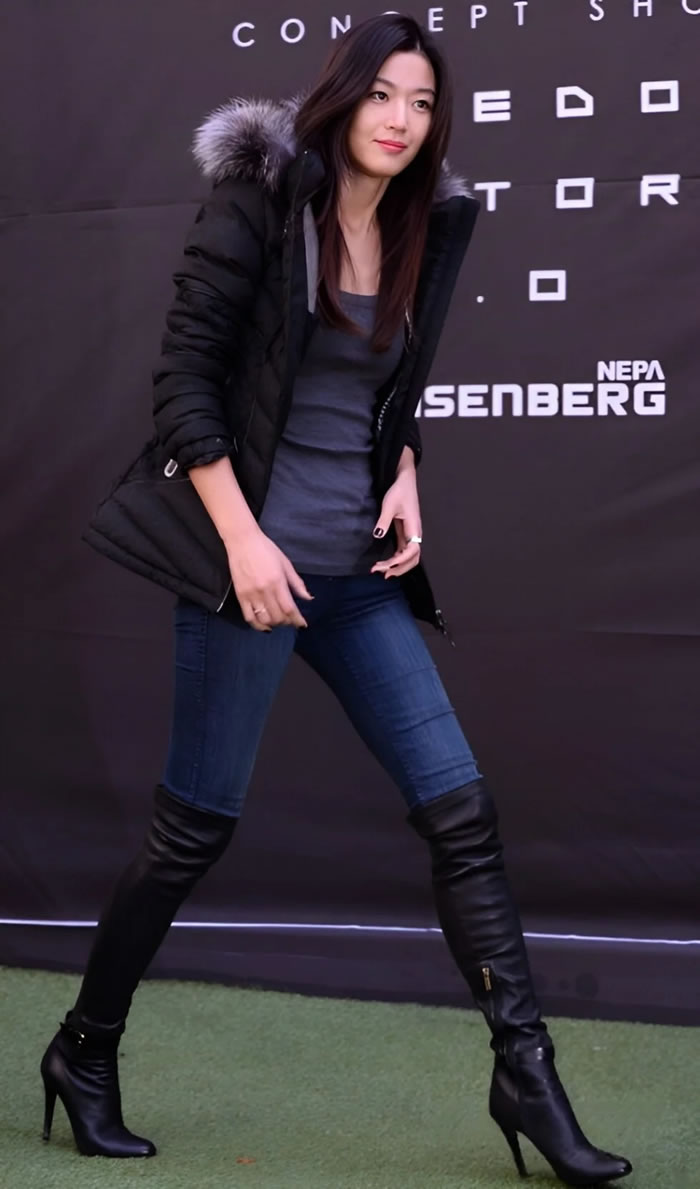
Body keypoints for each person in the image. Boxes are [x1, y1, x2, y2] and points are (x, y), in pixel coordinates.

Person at [40, 14, 632, 1186]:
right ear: (341, 96)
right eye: (382, 95)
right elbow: (184, 388)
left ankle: (526, 1076)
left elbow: (382, 387)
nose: (401, 120)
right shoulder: (260, 205)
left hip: (357, 581)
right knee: (191, 833)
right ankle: (84, 1048)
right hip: (250, 575)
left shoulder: (426, 220)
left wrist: (403, 467)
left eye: (422, 101)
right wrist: (245, 548)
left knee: (461, 814)